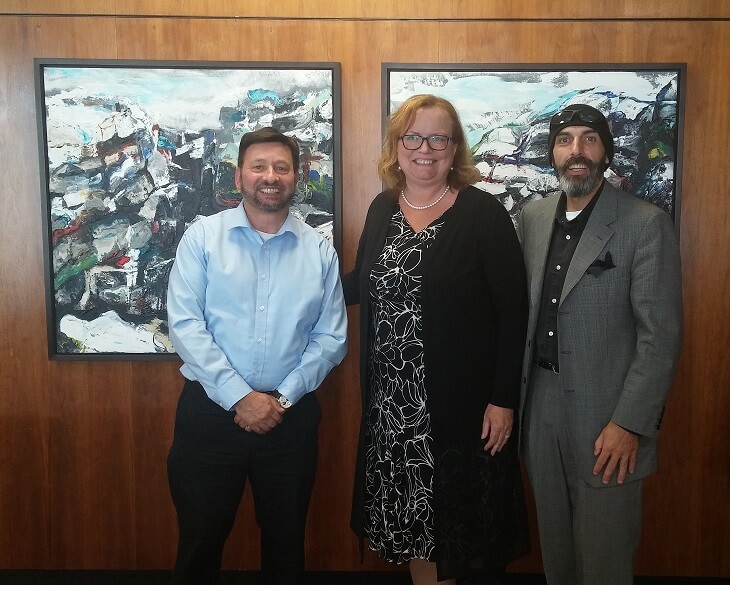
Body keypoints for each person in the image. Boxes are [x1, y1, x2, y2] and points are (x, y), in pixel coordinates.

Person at [342, 94, 530, 584]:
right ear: (396, 146)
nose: (424, 149)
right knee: (415, 525)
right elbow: (360, 283)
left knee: (458, 525)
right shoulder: (382, 208)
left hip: (461, 407)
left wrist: (503, 400)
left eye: (438, 138)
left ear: (455, 147)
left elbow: (513, 315)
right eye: (413, 137)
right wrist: (288, 278)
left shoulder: (483, 214)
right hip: (393, 407)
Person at [166, 126, 348, 584]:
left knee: (286, 548)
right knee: (199, 544)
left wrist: (280, 400)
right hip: (210, 417)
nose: (270, 176)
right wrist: (240, 397)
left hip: (290, 420)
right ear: (239, 176)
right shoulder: (203, 238)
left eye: (282, 167)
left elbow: (330, 338)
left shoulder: (318, 251)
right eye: (259, 166)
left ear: (296, 176)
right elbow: (186, 326)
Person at [518, 104, 683, 584]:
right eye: (565, 140)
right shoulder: (532, 217)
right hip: (539, 408)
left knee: (603, 560)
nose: (577, 151)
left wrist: (629, 423)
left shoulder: (644, 223)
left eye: (589, 139)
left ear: (606, 152)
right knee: (556, 555)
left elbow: (660, 337)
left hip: (608, 415)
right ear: (552, 153)